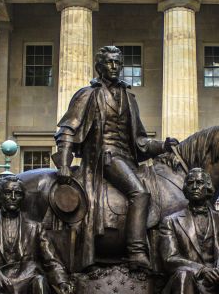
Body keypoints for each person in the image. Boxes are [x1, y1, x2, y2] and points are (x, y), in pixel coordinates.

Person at [55, 45, 178, 271]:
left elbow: (140, 141)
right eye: (109, 62)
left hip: (127, 158)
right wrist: (64, 163)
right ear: (99, 66)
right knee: (140, 193)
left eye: (118, 63)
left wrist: (163, 145)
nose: (114, 67)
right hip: (104, 157)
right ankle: (136, 251)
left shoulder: (128, 98)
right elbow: (67, 129)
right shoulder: (88, 94)